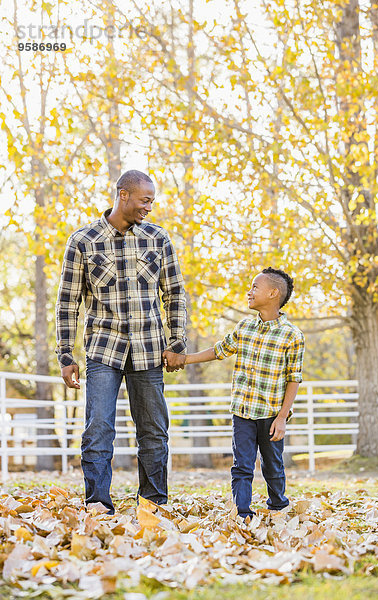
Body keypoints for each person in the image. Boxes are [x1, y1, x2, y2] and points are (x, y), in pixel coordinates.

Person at [55, 170, 187, 514]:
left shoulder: (158, 238)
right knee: (98, 429)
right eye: (145, 200)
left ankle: (153, 504)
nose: (149, 208)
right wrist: (65, 354)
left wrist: (178, 341)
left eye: (152, 202)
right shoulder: (83, 241)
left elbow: (174, 293)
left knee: (154, 432)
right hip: (103, 349)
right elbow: (68, 302)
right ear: (123, 195)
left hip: (149, 348)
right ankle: (98, 504)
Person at [181, 267, 304, 519]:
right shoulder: (244, 327)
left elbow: (294, 379)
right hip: (243, 413)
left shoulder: (292, 336)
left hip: (271, 415)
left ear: (272, 293)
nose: (249, 292)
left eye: (255, 287)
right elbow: (218, 350)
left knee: (273, 466)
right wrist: (183, 359)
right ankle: (243, 512)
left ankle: (278, 506)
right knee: (242, 465)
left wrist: (282, 418)